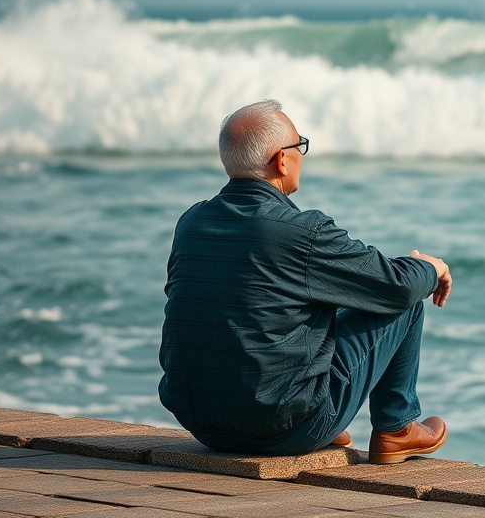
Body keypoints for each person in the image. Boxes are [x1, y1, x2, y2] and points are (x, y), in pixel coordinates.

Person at [158, 99, 451, 463]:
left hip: (202, 423)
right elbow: (397, 286)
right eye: (301, 147)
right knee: (404, 303)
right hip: (281, 427)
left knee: (310, 298)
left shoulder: (191, 223)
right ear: (281, 159)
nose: (301, 156)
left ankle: (324, 420)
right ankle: (397, 428)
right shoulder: (301, 231)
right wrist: (430, 268)